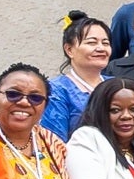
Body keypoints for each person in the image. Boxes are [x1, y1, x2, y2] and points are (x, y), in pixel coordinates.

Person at [41, 13, 113, 141]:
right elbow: (55, 144)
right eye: (91, 42)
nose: (101, 48)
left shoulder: (116, 85)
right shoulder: (56, 90)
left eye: (105, 43)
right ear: (69, 50)